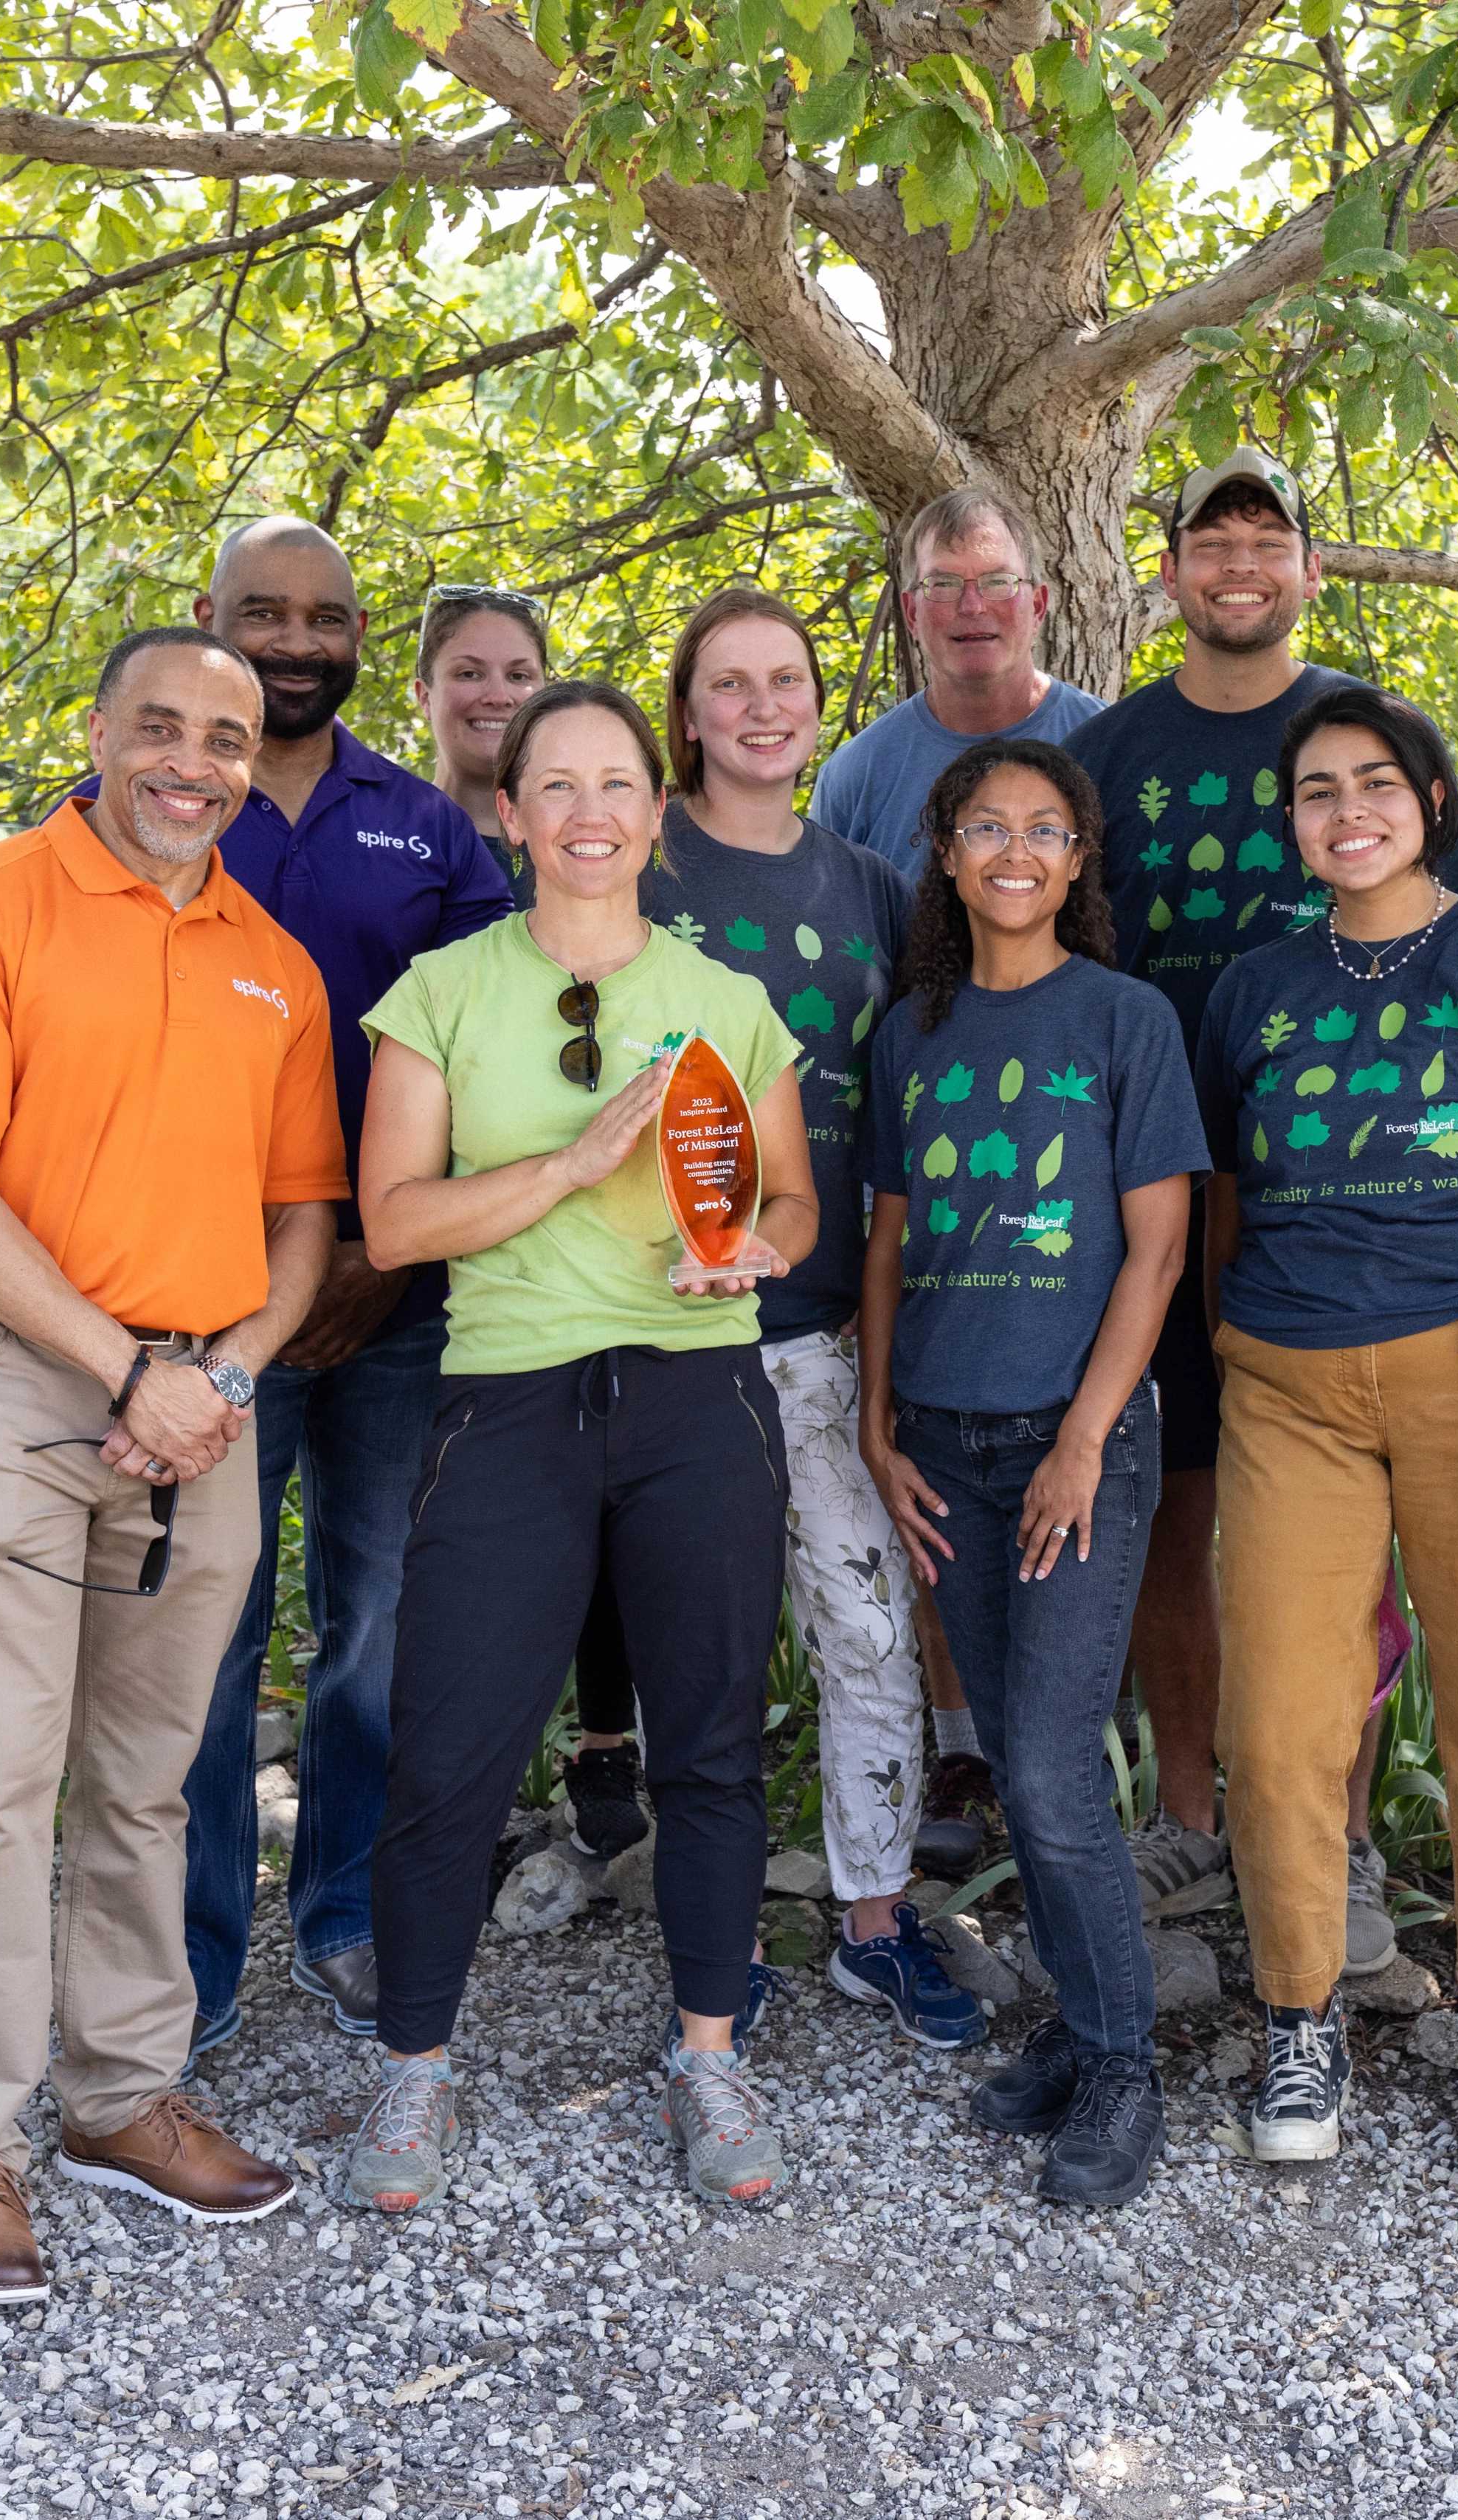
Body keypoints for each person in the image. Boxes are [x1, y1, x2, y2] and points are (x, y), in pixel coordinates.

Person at [0, 626, 345, 2303]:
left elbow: (304, 1223)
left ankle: (121, 2096)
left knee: (153, 1773)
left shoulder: (275, 959)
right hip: (11, 1385)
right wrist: (121, 1364)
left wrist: (217, 1374)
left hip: (200, 1404)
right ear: (98, 729)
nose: (192, 759)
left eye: (223, 734)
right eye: (159, 724)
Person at [339, 680, 818, 2215]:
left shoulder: (729, 1002)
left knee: (709, 1743)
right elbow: (395, 1222)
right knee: (452, 1746)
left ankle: (707, 2049)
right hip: (509, 1398)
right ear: (510, 813)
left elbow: (793, 1208)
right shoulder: (440, 992)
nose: (590, 812)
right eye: (557, 786)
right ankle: (413, 2073)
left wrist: (747, 1248)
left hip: (697, 1398)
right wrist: (575, 1161)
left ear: (656, 814)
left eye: (619, 784)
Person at [1192, 686, 1458, 2194]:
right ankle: (1298, 2013)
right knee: (1280, 1725)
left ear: (1429, 801)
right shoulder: (1253, 989)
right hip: (1289, 1387)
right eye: (1316, 791)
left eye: (1374, 783)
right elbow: (1228, 1198)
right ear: (1292, 821)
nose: (1345, 810)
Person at [168, 518, 516, 2064]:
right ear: (207, 619)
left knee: (374, 1621)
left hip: (394, 1304)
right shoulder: (149, 807)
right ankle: (187, 1944)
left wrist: (382, 1255)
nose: (296, 642)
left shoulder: (431, 833)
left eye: (324, 618)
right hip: (192, 1303)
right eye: (263, 614)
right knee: (206, 1632)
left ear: (361, 634)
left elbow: (498, 1059)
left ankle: (347, 1914)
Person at [615, 581, 980, 2049]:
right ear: (686, 712)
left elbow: (915, 1107)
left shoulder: (871, 887)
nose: (763, 709)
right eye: (730, 684)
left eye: (787, 682)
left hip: (823, 1330)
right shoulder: (633, 870)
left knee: (866, 1628)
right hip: (664, 1332)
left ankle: (873, 1923)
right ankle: (707, 1940)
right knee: (693, 1650)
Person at [857, 738, 1206, 2207]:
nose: (1013, 849)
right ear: (945, 853)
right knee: (1013, 1754)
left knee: (1059, 1771)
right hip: (941, 1437)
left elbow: (1159, 1245)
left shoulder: (1123, 1020)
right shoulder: (911, 1030)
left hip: (1080, 1439)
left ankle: (1126, 2067)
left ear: (1077, 861)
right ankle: (1081, 2025)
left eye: (1043, 829)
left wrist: (1081, 1438)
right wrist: (877, 1428)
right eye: (984, 826)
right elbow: (882, 1239)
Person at [1061, 444, 1365, 1946]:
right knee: (1173, 1515)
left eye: (1270, 537)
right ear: (1169, 574)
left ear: (1310, 570)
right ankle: (1190, 1820)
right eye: (1210, 538)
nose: (1241, 561)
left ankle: (1337, 1835)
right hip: (1155, 1197)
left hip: (1339, 1195)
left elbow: (1441, 951)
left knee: (1336, 1524)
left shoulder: (1370, 737)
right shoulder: (1109, 757)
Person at [813, 485, 1104, 879]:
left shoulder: (1109, 746)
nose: (972, 606)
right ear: (911, 612)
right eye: (944, 584)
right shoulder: (856, 776)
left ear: (1037, 607)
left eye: (998, 581)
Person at [410, 584, 553, 863]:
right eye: (469, 674)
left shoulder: (591, 843)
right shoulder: (382, 835)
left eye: (519, 676)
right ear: (425, 697)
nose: (499, 697)